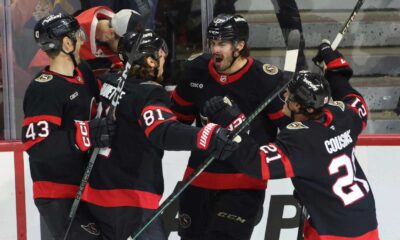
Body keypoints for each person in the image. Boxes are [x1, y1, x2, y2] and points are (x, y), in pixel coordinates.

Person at [205, 43, 380, 240]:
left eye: (289, 94)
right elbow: (355, 100)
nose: (285, 95)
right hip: (366, 222)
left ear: (298, 105)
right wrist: (335, 67)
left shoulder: (300, 138)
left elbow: (257, 164)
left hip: (332, 232)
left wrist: (232, 122)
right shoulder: (342, 116)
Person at [80, 29, 239, 240]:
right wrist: (207, 135)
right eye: (162, 56)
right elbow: (162, 131)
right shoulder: (149, 94)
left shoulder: (108, 81)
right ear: (151, 61)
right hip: (131, 200)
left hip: (96, 195)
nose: (164, 61)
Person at [170, 14, 290, 240]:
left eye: (222, 44)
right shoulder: (196, 70)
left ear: (240, 45)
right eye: (212, 43)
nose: (215, 49)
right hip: (198, 178)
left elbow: (291, 129)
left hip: (244, 184)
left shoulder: (265, 79)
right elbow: (177, 121)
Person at [21, 13, 116, 239]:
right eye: (78, 35)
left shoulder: (82, 73)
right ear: (66, 43)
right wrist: (84, 134)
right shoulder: (44, 90)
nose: (82, 40)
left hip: (86, 186)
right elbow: (37, 145)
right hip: (57, 192)